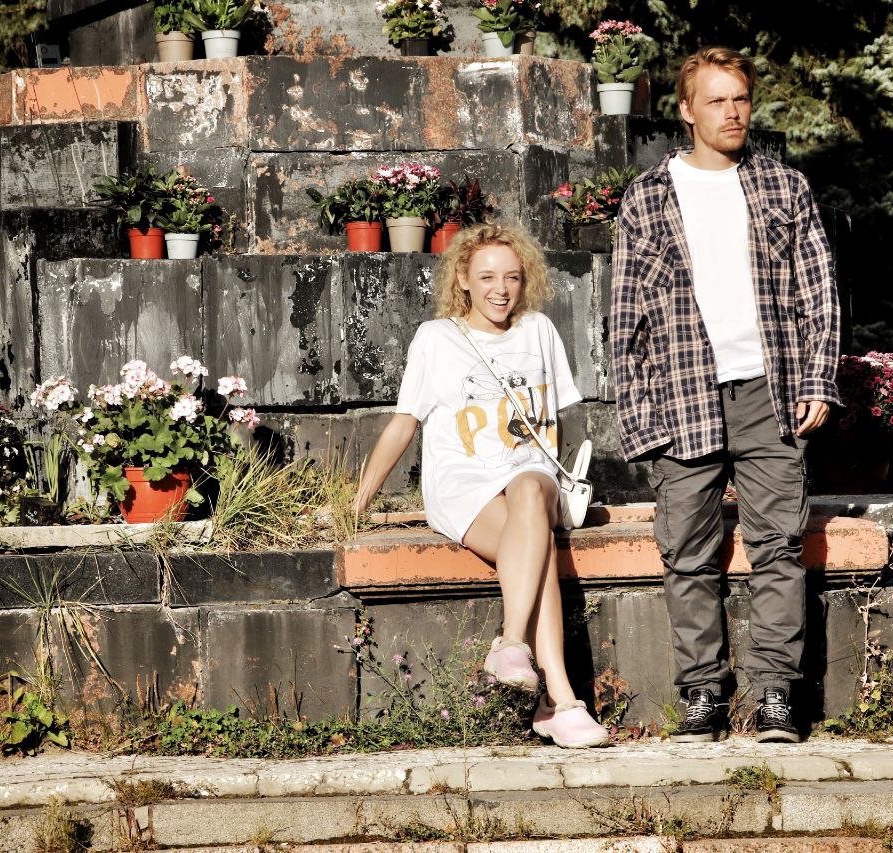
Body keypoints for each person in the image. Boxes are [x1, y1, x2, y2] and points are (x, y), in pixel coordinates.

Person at [610, 46, 841, 743]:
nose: (732, 112)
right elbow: (625, 317)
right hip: (683, 394)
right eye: (716, 100)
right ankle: (703, 694)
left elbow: (819, 291)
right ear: (687, 110)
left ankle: (776, 694)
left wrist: (817, 378)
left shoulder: (784, 187)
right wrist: (639, 416)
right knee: (686, 551)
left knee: (778, 547)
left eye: (740, 98)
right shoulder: (649, 196)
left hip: (770, 392)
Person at [355, 221, 608, 749]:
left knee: (530, 485)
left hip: (530, 478)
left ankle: (512, 645)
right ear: (463, 279)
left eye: (512, 277)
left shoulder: (539, 330)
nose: (501, 289)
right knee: (535, 551)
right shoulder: (437, 339)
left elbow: (555, 425)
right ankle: (559, 701)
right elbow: (404, 423)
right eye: (487, 276)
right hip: (464, 483)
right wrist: (358, 502)